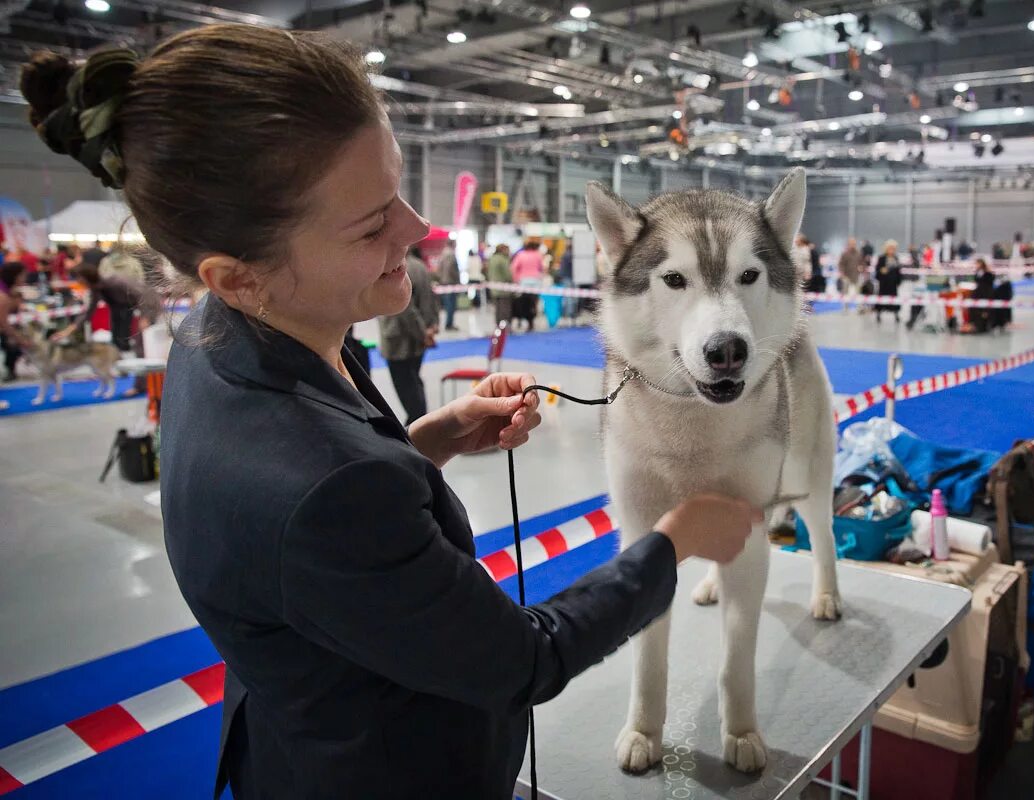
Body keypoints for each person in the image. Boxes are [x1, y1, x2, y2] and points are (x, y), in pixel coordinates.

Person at [20, 27, 760, 799]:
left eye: (398, 191)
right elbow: (525, 660)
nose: (417, 230)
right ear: (239, 276)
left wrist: (424, 443)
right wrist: (673, 543)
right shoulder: (324, 487)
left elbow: (302, 527)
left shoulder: (217, 338)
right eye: (372, 224)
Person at [378, 251, 439, 423]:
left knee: (408, 390)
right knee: (414, 383)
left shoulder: (394, 267)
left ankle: (417, 435)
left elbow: (404, 309)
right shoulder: (420, 266)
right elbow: (431, 299)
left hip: (399, 340)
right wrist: (431, 327)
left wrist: (422, 333)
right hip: (418, 340)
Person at [0, 261, 31, 382]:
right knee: (12, 344)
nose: (25, 277)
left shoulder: (8, 291)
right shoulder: (3, 297)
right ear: (15, 276)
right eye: (23, 275)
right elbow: (4, 324)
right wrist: (20, 340)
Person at [510, 239, 544, 331]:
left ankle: (521, 320)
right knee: (534, 303)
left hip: (523, 282)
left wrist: (516, 279)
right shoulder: (538, 255)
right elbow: (542, 267)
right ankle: (531, 322)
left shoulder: (521, 255)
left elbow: (513, 267)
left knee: (523, 303)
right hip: (536, 281)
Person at [874, 240, 902, 323]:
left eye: (893, 248)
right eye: (890, 248)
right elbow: (877, 270)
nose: (891, 250)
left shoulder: (896, 258)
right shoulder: (881, 258)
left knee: (894, 300)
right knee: (881, 299)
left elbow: (898, 271)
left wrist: (899, 281)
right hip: (884, 283)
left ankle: (896, 315)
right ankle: (878, 314)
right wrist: (881, 271)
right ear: (886, 248)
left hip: (893, 283)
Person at [486, 243, 514, 326]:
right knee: (505, 308)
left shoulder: (492, 258)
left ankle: (498, 325)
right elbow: (507, 274)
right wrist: (512, 282)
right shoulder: (503, 259)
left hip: (494, 287)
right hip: (504, 288)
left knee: (497, 308)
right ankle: (505, 324)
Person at [435, 241, 459, 331]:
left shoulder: (443, 253)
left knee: (447, 304)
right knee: (450, 305)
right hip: (450, 282)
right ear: (453, 244)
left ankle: (449, 323)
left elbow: (438, 269)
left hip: (444, 281)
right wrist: (456, 280)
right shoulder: (450, 254)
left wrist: (441, 278)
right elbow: (451, 269)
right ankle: (449, 324)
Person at [837, 237, 862, 311]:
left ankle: (859, 307)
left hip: (856, 275)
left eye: (854, 244)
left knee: (858, 292)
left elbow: (862, 263)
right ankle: (845, 307)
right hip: (846, 275)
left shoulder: (859, 253)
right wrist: (842, 273)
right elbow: (841, 264)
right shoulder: (844, 253)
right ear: (848, 244)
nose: (852, 245)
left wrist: (861, 267)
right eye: (851, 244)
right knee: (845, 292)